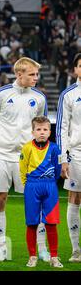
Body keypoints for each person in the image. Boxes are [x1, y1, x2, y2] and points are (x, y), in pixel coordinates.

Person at [0, 57, 49, 262]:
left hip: (27, 158)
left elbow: (41, 125)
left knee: (35, 201)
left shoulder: (39, 98)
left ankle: (41, 249)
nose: (36, 78)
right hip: (2, 154)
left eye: (37, 74)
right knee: (0, 198)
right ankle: (2, 247)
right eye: (32, 74)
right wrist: (4, 141)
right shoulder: (1, 94)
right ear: (19, 74)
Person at [20, 116, 63, 268]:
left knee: (51, 223)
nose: (42, 132)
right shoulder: (26, 148)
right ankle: (32, 256)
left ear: (50, 132)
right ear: (33, 132)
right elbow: (22, 168)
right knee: (32, 223)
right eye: (38, 129)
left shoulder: (55, 148)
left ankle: (54, 257)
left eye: (45, 129)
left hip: (50, 186)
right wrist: (28, 186)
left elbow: (58, 170)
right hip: (32, 186)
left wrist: (51, 182)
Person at [56, 53, 81, 262]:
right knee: (75, 198)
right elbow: (62, 128)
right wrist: (62, 158)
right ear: (75, 70)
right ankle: (76, 249)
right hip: (77, 154)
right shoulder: (69, 94)